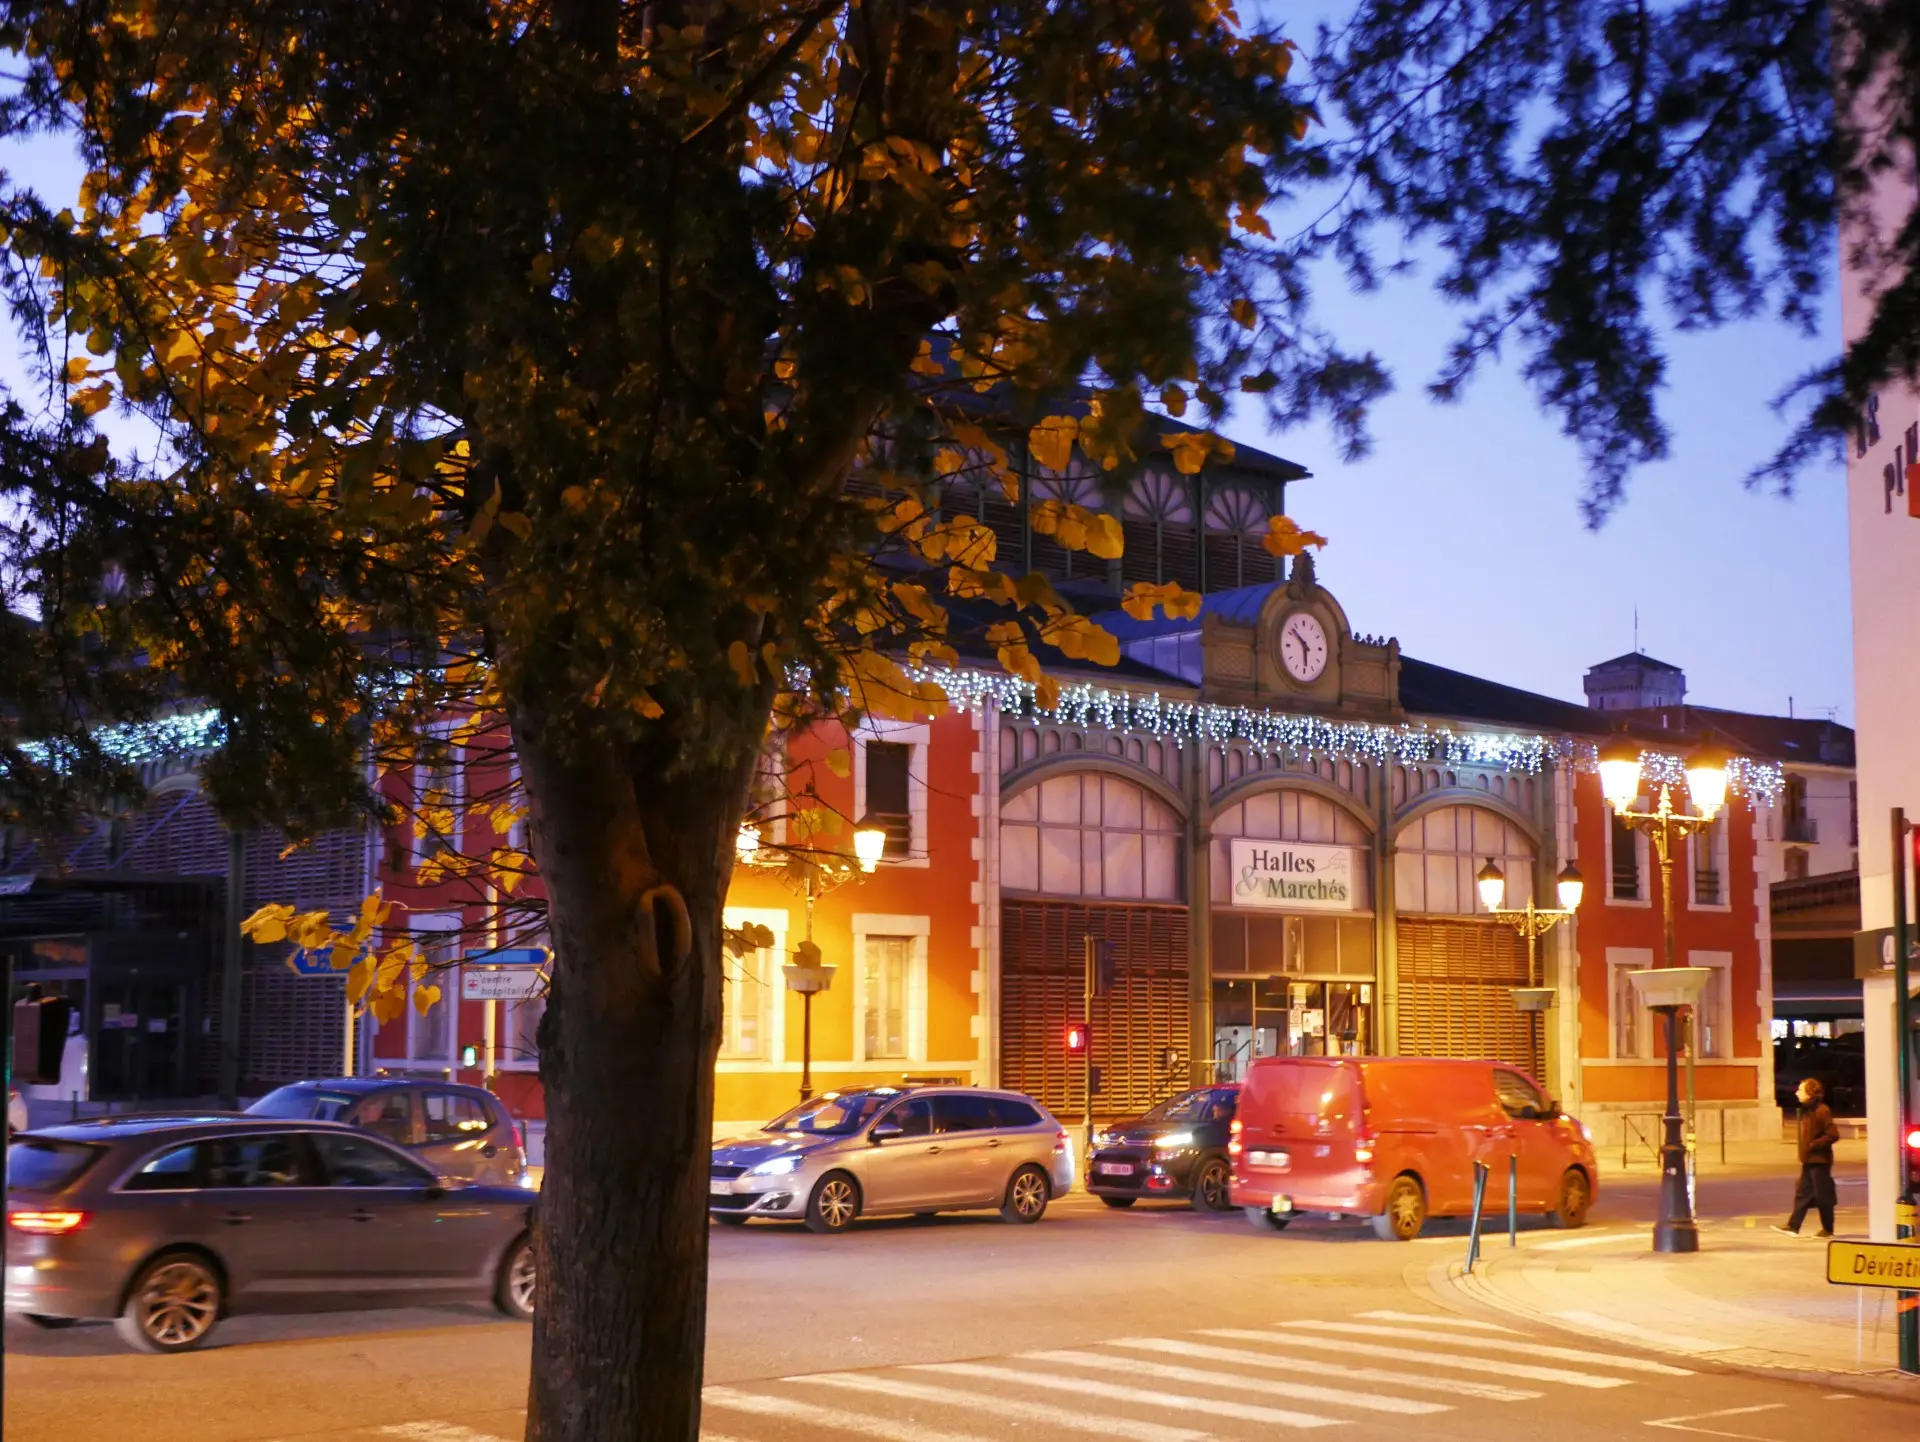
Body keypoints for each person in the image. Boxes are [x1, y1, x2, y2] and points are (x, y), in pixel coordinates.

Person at [1774, 1077, 1840, 1238]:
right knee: (1802, 1193)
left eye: (1800, 1090)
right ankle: (1793, 1226)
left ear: (1810, 1094)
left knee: (1823, 1195)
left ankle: (1828, 1229)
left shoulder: (1821, 1111)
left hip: (1820, 1161)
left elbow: (1833, 1135)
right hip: (1809, 1160)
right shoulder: (1807, 1110)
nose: (1796, 1093)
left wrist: (1813, 1145)